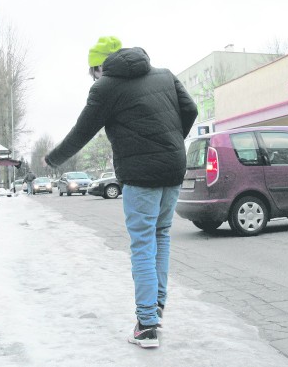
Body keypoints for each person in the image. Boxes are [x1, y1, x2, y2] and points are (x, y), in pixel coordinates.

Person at [44, 36, 197, 348]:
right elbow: (191, 109)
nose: (93, 78)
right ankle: (157, 309)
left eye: (92, 71)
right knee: (161, 235)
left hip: (141, 175)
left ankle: (146, 325)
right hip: (173, 167)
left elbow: (81, 132)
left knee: (142, 243)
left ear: (100, 66)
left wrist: (52, 160)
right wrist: (168, 142)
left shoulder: (105, 87)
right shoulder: (165, 74)